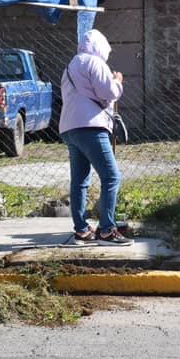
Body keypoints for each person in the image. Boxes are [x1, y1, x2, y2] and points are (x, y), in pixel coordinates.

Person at [59, 29, 133, 246]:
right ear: (101, 47)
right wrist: (118, 81)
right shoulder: (95, 62)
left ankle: (81, 231)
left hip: (70, 128)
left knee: (80, 181)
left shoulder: (70, 66)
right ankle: (107, 231)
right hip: (91, 127)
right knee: (111, 176)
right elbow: (108, 92)